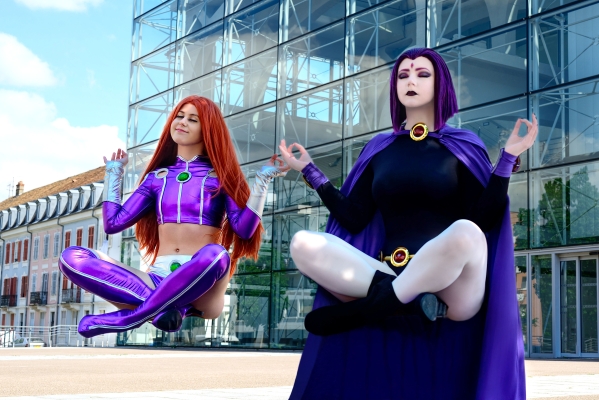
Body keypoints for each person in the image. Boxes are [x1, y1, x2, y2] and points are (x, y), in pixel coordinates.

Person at [280, 48, 536, 399]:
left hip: (454, 289)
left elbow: (483, 220)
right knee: (304, 244)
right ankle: (411, 301)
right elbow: (354, 217)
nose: (410, 81)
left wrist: (508, 158)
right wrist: (310, 170)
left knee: (466, 232)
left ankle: (374, 307)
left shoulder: (463, 145)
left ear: (440, 84)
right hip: (385, 272)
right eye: (403, 75)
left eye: (422, 74)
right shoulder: (379, 149)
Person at [58, 95, 288, 338]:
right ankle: (165, 309)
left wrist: (263, 180)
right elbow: (113, 223)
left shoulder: (222, 178)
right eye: (179, 116)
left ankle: (129, 319)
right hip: (157, 279)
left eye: (193, 119)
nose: (182, 122)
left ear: (208, 130)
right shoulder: (156, 178)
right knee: (70, 257)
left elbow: (244, 229)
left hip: (204, 283)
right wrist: (113, 174)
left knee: (217, 254)